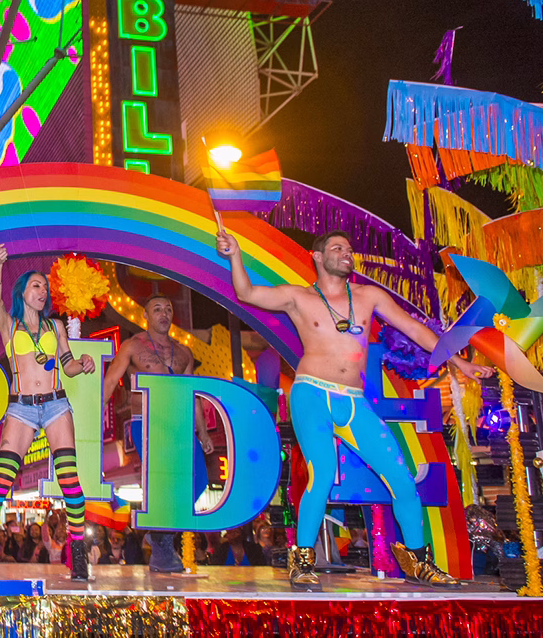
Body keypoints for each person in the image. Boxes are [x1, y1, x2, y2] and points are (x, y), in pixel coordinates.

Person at [218, 228, 492, 589]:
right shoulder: (298, 297)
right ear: (317, 257)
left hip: (352, 400)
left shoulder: (368, 297)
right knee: (322, 473)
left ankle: (418, 561)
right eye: (337, 248)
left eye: (349, 249)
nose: (347, 253)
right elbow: (246, 292)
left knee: (402, 479)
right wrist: (235, 253)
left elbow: (414, 328)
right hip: (311, 394)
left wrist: (460, 363)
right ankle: (301, 560)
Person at [0, 244, 97, 582]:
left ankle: (78, 555)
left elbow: (67, 365)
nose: (43, 292)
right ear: (23, 292)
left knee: (70, 482)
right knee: (1, 480)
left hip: (56, 403)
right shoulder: (8, 324)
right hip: (21, 408)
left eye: (45, 287)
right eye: (36, 286)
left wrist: (81, 364)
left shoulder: (55, 327)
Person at [101, 294, 212, 572]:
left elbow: (192, 394)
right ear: (146, 316)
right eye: (157, 309)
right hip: (146, 422)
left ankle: (161, 533)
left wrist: (203, 431)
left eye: (168, 308)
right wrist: (92, 418)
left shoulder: (184, 352)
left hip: (179, 424)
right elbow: (111, 381)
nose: (164, 313)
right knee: (161, 484)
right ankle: (162, 545)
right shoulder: (132, 346)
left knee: (199, 480)